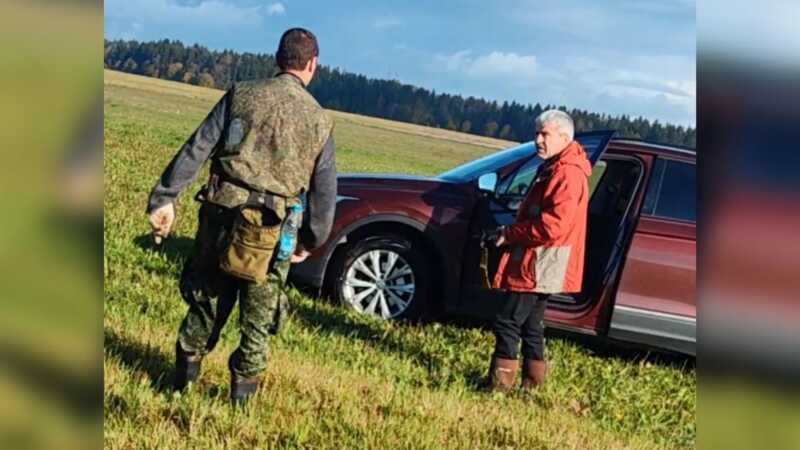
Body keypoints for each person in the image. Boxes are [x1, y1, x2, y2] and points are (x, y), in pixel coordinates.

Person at [146, 28, 337, 405]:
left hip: (222, 213)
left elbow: (199, 146)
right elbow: (324, 190)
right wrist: (311, 239)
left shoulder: (242, 93)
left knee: (205, 297)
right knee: (259, 317)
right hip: (275, 228)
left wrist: (164, 197)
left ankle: (179, 387)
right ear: (312, 64)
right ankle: (240, 402)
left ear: (277, 58)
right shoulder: (320, 120)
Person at [484, 109, 590, 392]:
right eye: (537, 134)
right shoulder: (557, 166)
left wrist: (508, 234)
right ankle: (532, 386)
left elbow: (552, 226)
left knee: (508, 320)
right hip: (543, 258)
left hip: (540, 259)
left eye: (545, 134)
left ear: (565, 137)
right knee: (532, 322)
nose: (538, 140)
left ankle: (499, 386)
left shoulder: (567, 173)